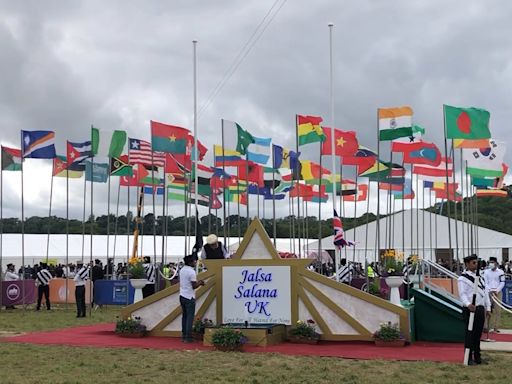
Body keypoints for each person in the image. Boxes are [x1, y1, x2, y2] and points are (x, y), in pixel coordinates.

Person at [458, 254, 491, 365]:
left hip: (480, 308)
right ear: (467, 264)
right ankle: (468, 357)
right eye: (473, 263)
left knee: (478, 334)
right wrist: (468, 304)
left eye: (476, 262)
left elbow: (485, 293)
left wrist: (488, 307)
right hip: (470, 309)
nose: (476, 264)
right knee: (470, 334)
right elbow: (462, 294)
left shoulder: (480, 277)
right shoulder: (463, 278)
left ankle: (477, 356)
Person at [179, 254, 205, 343]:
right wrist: (200, 283)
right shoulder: (191, 272)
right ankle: (188, 337)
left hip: (182, 295)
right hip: (189, 296)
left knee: (184, 316)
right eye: (194, 261)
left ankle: (184, 335)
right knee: (190, 317)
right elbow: (194, 286)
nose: (195, 262)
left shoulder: (182, 270)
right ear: (190, 262)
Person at [484, 256, 505, 333]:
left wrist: (497, 290)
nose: (491, 264)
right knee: (487, 309)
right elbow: (485, 282)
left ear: (496, 263)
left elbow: (502, 282)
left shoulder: (501, 272)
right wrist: (489, 290)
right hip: (488, 292)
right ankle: (486, 327)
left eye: (492, 262)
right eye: (490, 262)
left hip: (498, 292)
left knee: (497, 310)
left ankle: (496, 327)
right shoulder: (486, 272)